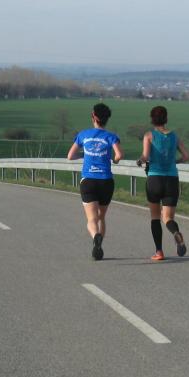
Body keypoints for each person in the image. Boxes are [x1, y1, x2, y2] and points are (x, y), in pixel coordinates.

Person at [67, 103, 123, 261]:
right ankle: (99, 244)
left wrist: (84, 155)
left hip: (88, 180)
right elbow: (119, 155)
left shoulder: (83, 135)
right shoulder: (111, 136)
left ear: (93, 116)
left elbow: (70, 156)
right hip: (106, 181)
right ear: (107, 119)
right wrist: (114, 160)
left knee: (91, 219)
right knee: (101, 217)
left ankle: (95, 237)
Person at [137, 105, 189, 261]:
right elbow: (187, 156)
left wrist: (140, 160)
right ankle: (176, 233)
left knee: (155, 217)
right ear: (166, 118)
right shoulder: (174, 137)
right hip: (172, 180)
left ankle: (159, 252)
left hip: (154, 179)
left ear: (152, 119)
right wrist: (175, 162)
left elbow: (145, 156)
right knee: (168, 218)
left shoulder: (149, 136)